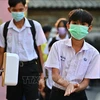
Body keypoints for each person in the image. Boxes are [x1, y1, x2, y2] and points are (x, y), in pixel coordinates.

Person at [45, 9, 100, 100]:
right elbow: (55, 75)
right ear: (68, 25)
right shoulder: (57, 46)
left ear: (89, 28)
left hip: (79, 95)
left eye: (83, 24)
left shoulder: (93, 53)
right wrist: (68, 85)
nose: (79, 27)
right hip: (57, 94)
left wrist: (76, 88)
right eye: (75, 23)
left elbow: (86, 81)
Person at [0, 0, 46, 100]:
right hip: (12, 69)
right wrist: (1, 70)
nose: (18, 12)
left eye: (20, 9)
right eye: (14, 10)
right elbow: (1, 51)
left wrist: (42, 76)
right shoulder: (4, 28)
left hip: (31, 68)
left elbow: (39, 52)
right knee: (13, 97)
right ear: (9, 10)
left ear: (25, 8)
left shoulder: (35, 26)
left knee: (32, 97)